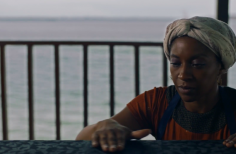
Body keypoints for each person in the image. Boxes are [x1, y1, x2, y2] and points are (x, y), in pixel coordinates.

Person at [76, 16, 236, 152]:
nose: (183, 74)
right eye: (175, 63)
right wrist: (105, 127)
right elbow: (81, 139)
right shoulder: (156, 102)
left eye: (197, 64)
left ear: (221, 67)